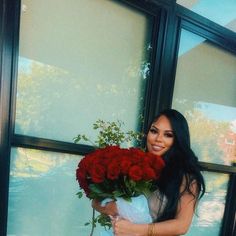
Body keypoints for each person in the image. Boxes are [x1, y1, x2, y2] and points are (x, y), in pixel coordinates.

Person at [92, 108, 206, 235]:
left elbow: (181, 226)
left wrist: (134, 230)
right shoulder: (133, 165)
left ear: (178, 139)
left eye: (168, 135)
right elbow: (95, 202)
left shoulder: (186, 177)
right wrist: (112, 208)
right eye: (154, 131)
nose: (158, 139)